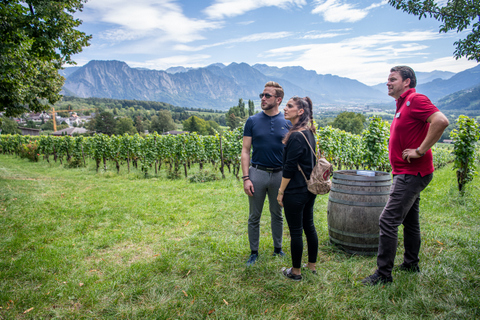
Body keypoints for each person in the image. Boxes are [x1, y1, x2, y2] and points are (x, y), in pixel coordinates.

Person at [362, 66, 449, 285]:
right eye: (387, 79)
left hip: (412, 173)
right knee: (410, 220)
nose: (388, 83)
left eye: (393, 79)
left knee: (388, 220)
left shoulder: (416, 99)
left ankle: (383, 275)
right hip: (406, 172)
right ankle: (411, 263)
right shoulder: (402, 103)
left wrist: (420, 150)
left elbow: (441, 121)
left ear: (407, 82)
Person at [241, 81, 290, 266]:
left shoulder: (287, 122)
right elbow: (245, 151)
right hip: (257, 173)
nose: (263, 98)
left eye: (267, 95)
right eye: (262, 95)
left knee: (277, 214)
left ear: (278, 99)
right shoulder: (252, 121)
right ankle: (254, 252)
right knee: (254, 216)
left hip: (279, 175)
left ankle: (278, 249)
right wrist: (246, 178)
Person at [277, 96, 318, 281]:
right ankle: (312, 265)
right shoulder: (309, 132)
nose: (285, 109)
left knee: (295, 231)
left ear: (300, 111)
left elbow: (289, 168)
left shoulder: (295, 136)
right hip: (310, 189)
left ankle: (295, 272)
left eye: (289, 106)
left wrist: (280, 191)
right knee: (309, 226)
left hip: (295, 190)